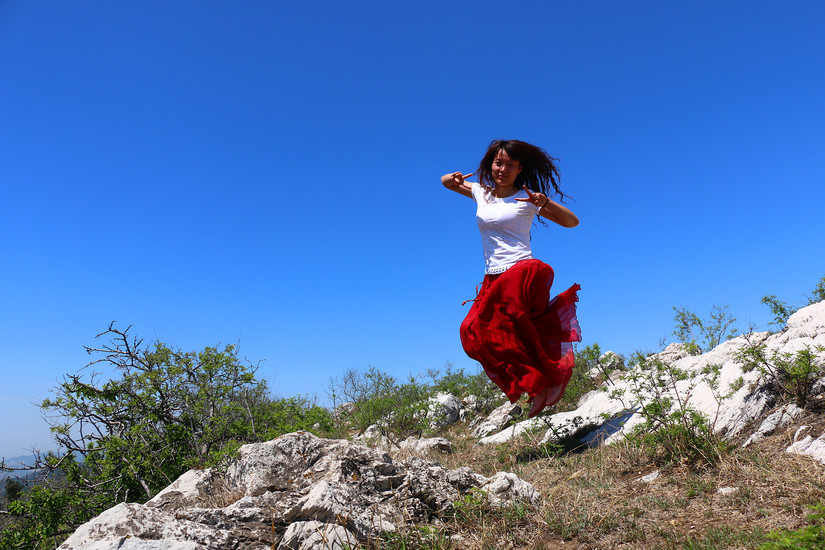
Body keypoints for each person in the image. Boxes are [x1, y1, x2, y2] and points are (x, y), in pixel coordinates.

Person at [441, 139, 582, 418]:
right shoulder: (481, 193)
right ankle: (535, 384)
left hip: (521, 271)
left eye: (510, 165)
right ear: (490, 165)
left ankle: (539, 385)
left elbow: (571, 221)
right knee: (472, 332)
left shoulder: (527, 199)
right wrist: (451, 177)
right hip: (493, 277)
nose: (502, 169)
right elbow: (446, 183)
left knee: (508, 327)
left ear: (519, 169)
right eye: (498, 163)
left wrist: (545, 201)